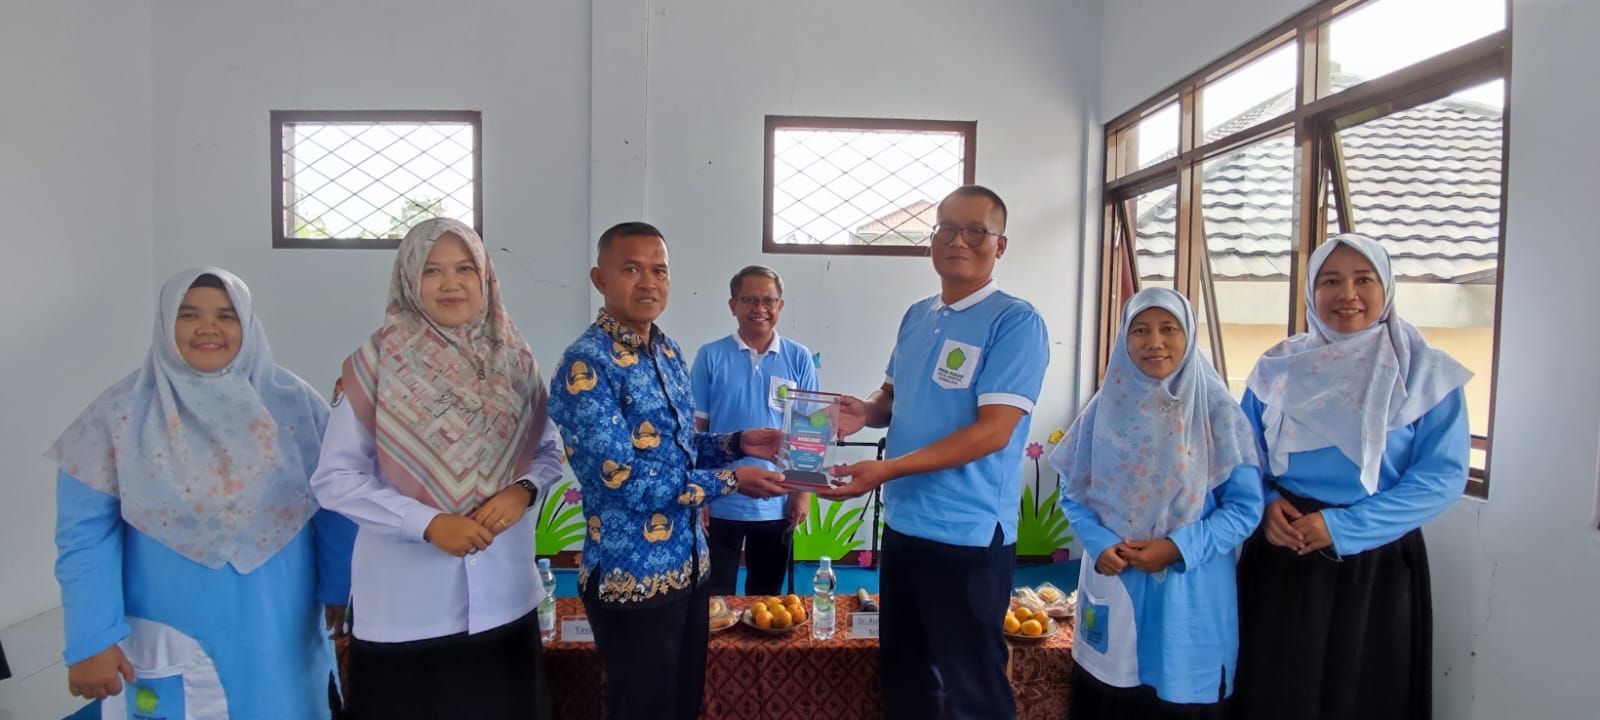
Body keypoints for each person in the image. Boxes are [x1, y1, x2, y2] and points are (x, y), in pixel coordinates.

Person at [49, 268, 354, 717]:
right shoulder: (119, 415)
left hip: (279, 620)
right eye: (188, 314)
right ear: (165, 324)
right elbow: (85, 535)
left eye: (226, 316)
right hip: (171, 616)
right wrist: (91, 637)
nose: (207, 327)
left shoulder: (291, 401)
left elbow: (334, 501)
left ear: (247, 326)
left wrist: (337, 586)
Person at [310, 218, 563, 720]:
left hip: (504, 603)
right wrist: (426, 523)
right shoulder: (373, 364)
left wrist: (524, 492)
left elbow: (547, 450)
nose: (451, 283)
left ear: (485, 276)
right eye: (432, 270)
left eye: (465, 268)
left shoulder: (513, 359)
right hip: (407, 612)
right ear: (408, 279)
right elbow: (335, 480)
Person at [547, 222, 789, 720]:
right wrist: (731, 479)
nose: (648, 283)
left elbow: (677, 450)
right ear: (600, 278)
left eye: (659, 270)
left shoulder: (668, 351)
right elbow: (623, 477)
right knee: (642, 708)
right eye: (631, 269)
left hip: (691, 570)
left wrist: (736, 443)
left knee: (683, 704)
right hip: (631, 578)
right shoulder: (585, 367)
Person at [826, 185, 1050, 719]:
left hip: (967, 535)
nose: (959, 240)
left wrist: (887, 469)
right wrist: (865, 411)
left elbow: (993, 432)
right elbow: (893, 397)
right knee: (905, 676)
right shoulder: (917, 315)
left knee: (973, 686)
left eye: (976, 231)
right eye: (946, 228)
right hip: (905, 527)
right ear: (931, 241)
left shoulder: (1015, 322)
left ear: (1001, 244)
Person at [1231, 233, 1472, 720]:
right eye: (1331, 281)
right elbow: (1241, 454)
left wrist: (1341, 529)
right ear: (1310, 292)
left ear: (1387, 287)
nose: (1348, 295)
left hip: (1374, 562)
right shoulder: (1278, 367)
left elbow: (1441, 477)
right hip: (1281, 548)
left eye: (1364, 279)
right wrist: (1264, 501)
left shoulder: (1424, 374)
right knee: (1273, 688)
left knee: (1362, 691)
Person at [1049, 287, 1263, 719]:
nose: (1155, 342)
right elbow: (1073, 491)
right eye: (1140, 330)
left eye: (1169, 329)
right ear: (1123, 339)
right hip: (1115, 580)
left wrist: (1179, 548)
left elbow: (1244, 509)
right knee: (1111, 698)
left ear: (1190, 337)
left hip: (1189, 592)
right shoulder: (1103, 409)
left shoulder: (1218, 412)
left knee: (1179, 698)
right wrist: (1099, 541)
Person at [691, 265, 818, 597]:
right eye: (749, 299)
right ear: (733, 305)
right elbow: (696, 429)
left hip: (777, 499)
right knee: (714, 596)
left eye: (768, 300)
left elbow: (809, 430)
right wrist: (700, 493)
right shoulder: (710, 356)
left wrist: (801, 491)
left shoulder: (799, 357)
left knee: (766, 596)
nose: (759, 309)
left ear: (780, 306)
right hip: (720, 499)